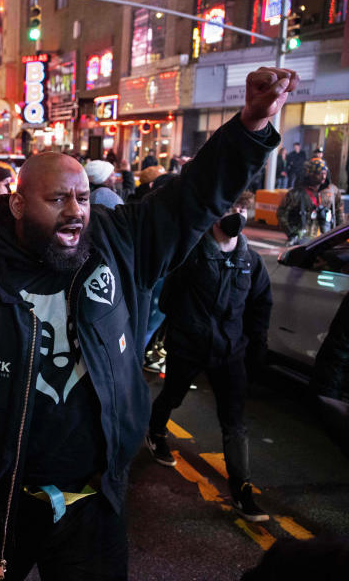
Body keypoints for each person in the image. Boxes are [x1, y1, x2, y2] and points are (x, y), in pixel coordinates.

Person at [0, 67, 295, 580]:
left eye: (81, 198)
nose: (75, 212)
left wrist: (250, 127)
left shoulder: (118, 247)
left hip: (92, 505)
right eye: (56, 199)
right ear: (16, 203)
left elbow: (195, 198)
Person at [145, 192, 272, 522]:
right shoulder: (191, 254)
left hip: (230, 352)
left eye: (242, 208)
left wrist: (256, 344)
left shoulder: (250, 261)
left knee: (234, 420)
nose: (238, 215)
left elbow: (260, 304)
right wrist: (186, 328)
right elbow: (168, 298)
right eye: (232, 208)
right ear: (215, 214)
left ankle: (241, 488)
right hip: (189, 347)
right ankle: (155, 431)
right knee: (173, 394)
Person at [277, 158, 344, 243]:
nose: (323, 177)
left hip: (325, 238)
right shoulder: (296, 194)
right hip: (303, 240)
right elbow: (281, 213)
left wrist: (339, 234)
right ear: (310, 174)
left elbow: (339, 213)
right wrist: (292, 232)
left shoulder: (332, 191)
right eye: (319, 174)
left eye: (325, 173)